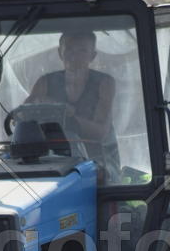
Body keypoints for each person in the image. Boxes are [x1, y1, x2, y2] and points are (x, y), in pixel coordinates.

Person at [25, 31, 118, 175]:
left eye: (82, 50)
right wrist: (35, 110)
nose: (74, 56)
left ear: (93, 56)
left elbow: (100, 133)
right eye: (69, 49)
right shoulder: (44, 83)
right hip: (53, 160)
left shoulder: (104, 83)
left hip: (99, 162)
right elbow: (21, 121)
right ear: (60, 53)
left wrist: (67, 114)